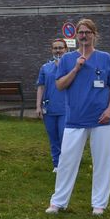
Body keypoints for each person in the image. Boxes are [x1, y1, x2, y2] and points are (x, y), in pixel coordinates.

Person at [46, 18, 110, 216]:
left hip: (102, 120)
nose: (84, 35)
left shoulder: (105, 58)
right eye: (81, 32)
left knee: (102, 163)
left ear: (94, 35)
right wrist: (76, 68)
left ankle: (99, 204)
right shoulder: (68, 59)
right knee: (66, 162)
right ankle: (58, 202)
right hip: (75, 119)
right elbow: (60, 85)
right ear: (76, 36)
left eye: (88, 32)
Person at [36, 39, 68, 172]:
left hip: (66, 108)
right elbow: (41, 87)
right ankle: (57, 164)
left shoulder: (71, 66)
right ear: (51, 50)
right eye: (55, 48)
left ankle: (66, 164)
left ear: (66, 49)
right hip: (49, 108)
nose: (58, 50)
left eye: (61, 48)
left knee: (64, 137)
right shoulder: (45, 67)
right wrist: (38, 106)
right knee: (53, 137)